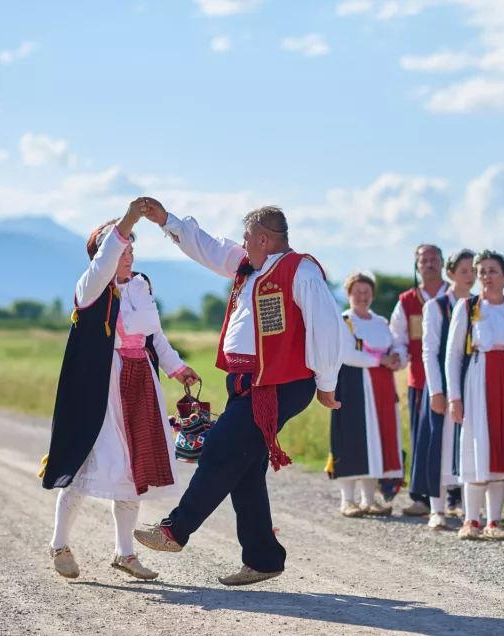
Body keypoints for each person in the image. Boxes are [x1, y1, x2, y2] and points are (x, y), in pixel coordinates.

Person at [132, 200, 346, 586]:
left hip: (280, 384)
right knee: (245, 469)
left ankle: (175, 531)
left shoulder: (301, 270)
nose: (243, 243)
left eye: (248, 237)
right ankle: (263, 558)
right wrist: (166, 220)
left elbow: (326, 327)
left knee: (218, 450)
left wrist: (326, 385)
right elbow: (208, 245)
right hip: (249, 383)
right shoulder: (247, 266)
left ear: (263, 239)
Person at [42, 199, 200, 581]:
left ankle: (124, 553)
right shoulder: (91, 286)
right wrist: (128, 219)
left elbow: (154, 335)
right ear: (104, 254)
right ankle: (59, 544)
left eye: (131, 248)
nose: (127, 254)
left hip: (140, 382)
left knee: (134, 468)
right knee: (84, 464)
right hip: (101, 387)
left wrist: (176, 368)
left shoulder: (142, 285)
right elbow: (106, 258)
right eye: (121, 247)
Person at [445, 251, 504, 541]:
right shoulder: (467, 307)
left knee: (503, 446)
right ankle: (471, 520)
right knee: (478, 443)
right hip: (479, 380)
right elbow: (453, 354)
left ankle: (494, 521)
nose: (486, 276)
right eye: (482, 271)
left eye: (493, 271)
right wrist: (454, 396)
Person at [327, 271, 404, 518]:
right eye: (357, 292)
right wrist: (381, 360)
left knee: (376, 441)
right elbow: (348, 355)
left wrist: (397, 359)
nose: (362, 297)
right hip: (352, 385)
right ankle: (347, 500)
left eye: (367, 292)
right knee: (352, 439)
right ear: (349, 294)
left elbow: (396, 346)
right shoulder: (343, 321)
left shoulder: (381, 322)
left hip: (381, 385)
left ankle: (370, 499)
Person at [412, 249, 477, 530]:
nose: (469, 276)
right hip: (440, 382)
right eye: (463, 270)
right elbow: (429, 350)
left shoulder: (479, 305)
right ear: (450, 273)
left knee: (467, 444)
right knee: (438, 443)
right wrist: (437, 391)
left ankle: (466, 506)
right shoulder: (437, 307)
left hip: (471, 384)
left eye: (473, 270)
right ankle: (437, 508)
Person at [388, 244, 450, 516]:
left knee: (452, 437)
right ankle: (421, 496)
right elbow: (398, 338)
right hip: (420, 381)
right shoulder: (407, 300)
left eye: (434, 259)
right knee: (422, 437)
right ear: (417, 265)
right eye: (423, 260)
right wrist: (397, 357)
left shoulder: (455, 295)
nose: (429, 264)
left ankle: (454, 497)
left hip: (454, 379)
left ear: (442, 263)